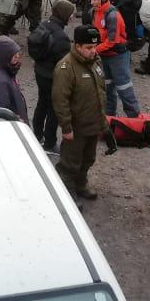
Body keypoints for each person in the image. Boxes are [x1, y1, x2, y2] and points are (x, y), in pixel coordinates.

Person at [53, 24, 107, 199]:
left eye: (95, 46)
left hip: (92, 124)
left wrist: (102, 121)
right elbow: (60, 101)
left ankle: (80, 185)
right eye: (89, 47)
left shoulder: (95, 62)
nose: (93, 51)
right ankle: (66, 193)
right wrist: (67, 127)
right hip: (76, 128)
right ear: (77, 46)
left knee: (88, 159)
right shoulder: (66, 68)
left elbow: (100, 92)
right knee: (70, 163)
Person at [27, 0, 75, 151]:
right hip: (52, 78)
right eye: (70, 14)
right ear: (64, 14)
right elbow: (64, 65)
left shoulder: (43, 25)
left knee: (41, 104)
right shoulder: (61, 37)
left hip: (40, 73)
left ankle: (37, 135)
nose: (72, 17)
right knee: (54, 110)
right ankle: (49, 143)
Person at [90, 0, 141, 120]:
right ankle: (109, 117)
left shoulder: (113, 16)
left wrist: (94, 50)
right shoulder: (95, 13)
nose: (92, 2)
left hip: (117, 56)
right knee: (107, 87)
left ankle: (135, 118)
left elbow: (112, 40)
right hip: (104, 55)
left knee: (123, 87)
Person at [0, 36, 29, 123]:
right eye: (14, 56)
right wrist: (16, 120)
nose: (18, 57)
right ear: (4, 57)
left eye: (17, 54)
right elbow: (2, 114)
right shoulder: (1, 83)